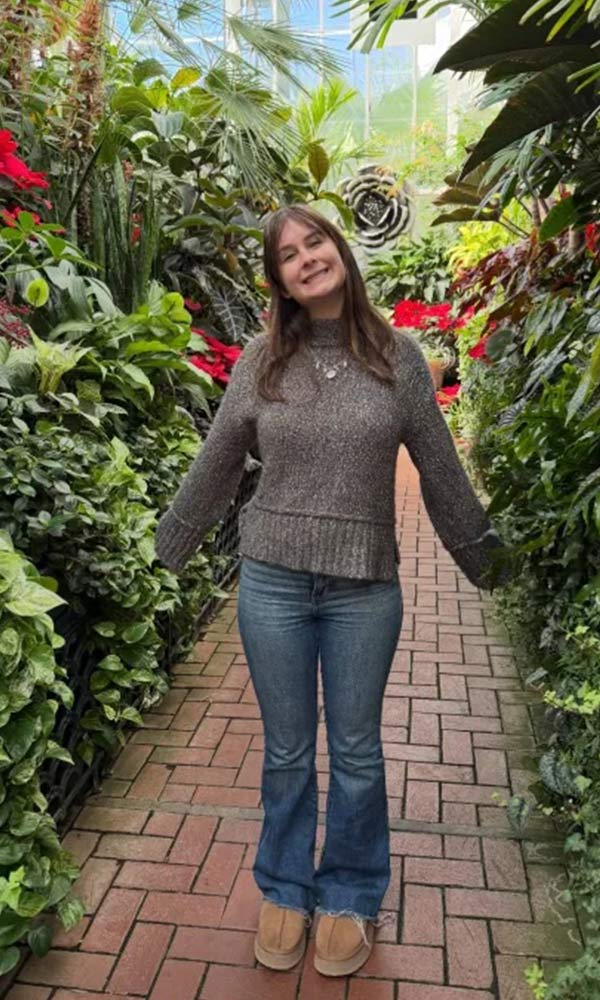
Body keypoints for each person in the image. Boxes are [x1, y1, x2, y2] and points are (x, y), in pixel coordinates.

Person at [155, 204, 511, 978]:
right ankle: (284, 886)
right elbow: (217, 462)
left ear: (339, 249)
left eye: (315, 241)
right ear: (279, 279)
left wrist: (493, 563)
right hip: (274, 585)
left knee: (356, 755)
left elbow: (442, 471)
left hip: (364, 593)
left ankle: (349, 892)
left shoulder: (398, 357)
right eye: (289, 254)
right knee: (286, 753)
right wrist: (167, 550)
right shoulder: (260, 361)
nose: (308, 258)